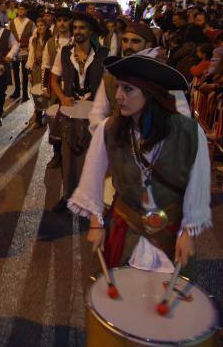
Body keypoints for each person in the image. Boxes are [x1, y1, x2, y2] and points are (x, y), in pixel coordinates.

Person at [69, 55, 212, 278]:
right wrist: (96, 224)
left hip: (170, 232)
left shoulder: (189, 132)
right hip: (124, 229)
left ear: (151, 93)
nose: (118, 96)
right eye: (117, 88)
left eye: (128, 89)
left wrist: (188, 233)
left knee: (169, 303)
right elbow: (92, 176)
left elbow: (197, 186)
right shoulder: (110, 128)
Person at [50, 12, 109, 212]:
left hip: (95, 114)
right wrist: (62, 97)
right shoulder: (64, 52)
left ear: (90, 31)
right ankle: (67, 197)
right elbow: (53, 81)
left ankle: (91, 198)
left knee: (93, 158)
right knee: (68, 158)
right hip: (69, 111)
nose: (77, 32)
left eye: (82, 28)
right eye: (75, 28)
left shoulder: (103, 54)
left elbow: (110, 84)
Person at [89, 22, 191, 134]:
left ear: (148, 45)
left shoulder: (163, 75)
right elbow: (97, 114)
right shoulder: (111, 77)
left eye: (135, 41)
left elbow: (183, 116)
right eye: (125, 40)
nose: (128, 46)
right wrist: (111, 137)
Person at [43, 8, 72, 168]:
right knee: (54, 122)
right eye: (59, 20)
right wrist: (44, 87)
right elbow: (46, 66)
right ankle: (57, 154)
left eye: (65, 20)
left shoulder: (77, 41)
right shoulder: (50, 42)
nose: (62, 23)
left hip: (71, 87)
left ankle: (71, 154)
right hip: (54, 88)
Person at [25, 17, 52, 126]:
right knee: (38, 94)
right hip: (36, 69)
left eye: (42, 25)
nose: (40, 27)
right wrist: (30, 70)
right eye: (38, 25)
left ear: (46, 27)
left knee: (47, 92)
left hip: (48, 70)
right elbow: (31, 55)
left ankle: (49, 114)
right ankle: (38, 117)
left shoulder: (51, 39)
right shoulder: (34, 39)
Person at [8, 3, 34, 102]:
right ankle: (17, 91)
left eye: (22, 9)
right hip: (14, 50)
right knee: (15, 71)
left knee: (24, 72)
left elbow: (33, 37)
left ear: (26, 11)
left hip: (25, 50)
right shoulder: (12, 22)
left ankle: (25, 93)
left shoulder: (31, 23)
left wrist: (30, 48)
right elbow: (8, 35)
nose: (20, 11)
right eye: (19, 9)